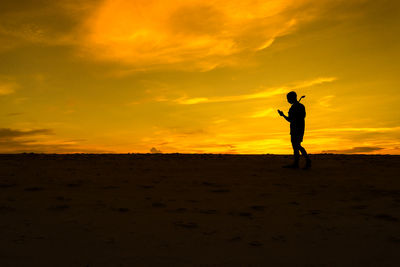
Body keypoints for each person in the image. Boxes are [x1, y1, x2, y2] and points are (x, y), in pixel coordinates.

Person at [278, 91, 311, 169]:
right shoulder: (300, 106)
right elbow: (302, 116)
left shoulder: (294, 108)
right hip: (299, 129)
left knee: (297, 146)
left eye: (288, 99)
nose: (287, 100)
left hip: (296, 129)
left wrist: (283, 115)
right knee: (296, 146)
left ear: (292, 98)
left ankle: (307, 161)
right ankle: (296, 163)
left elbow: (290, 119)